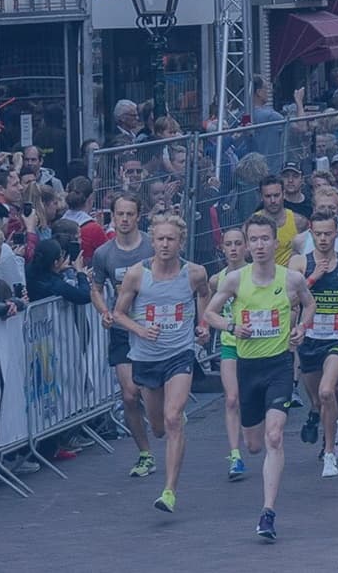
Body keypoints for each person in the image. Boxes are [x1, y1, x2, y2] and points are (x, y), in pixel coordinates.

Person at [203, 213, 317, 542]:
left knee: (275, 436)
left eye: (264, 238)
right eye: (253, 240)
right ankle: (251, 452)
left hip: (279, 366)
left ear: (275, 241)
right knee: (253, 445)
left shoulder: (292, 279)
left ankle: (267, 511)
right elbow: (210, 313)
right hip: (248, 366)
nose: (259, 245)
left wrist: (301, 328)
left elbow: (309, 306)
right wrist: (231, 327)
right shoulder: (236, 280)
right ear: (248, 246)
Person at [110, 214, 210, 513]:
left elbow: (205, 295)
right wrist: (140, 330)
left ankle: (169, 491)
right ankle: (170, 420)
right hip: (146, 357)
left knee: (173, 417)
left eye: (171, 239)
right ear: (152, 242)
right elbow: (118, 313)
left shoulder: (194, 273)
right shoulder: (136, 275)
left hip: (179, 354)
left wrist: (203, 325)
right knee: (157, 428)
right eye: (160, 239)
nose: (165, 244)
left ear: (181, 242)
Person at [90, 193, 156, 479]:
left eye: (130, 214)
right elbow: (95, 286)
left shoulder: (153, 247)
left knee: (150, 393)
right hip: (121, 330)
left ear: (138, 216)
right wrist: (105, 311)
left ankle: (164, 412)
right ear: (113, 216)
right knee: (129, 395)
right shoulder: (104, 253)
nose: (125, 219)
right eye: (120, 214)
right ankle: (145, 454)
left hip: (153, 329)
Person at [296, 211, 338, 478]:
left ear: (336, 234)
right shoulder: (300, 263)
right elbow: (292, 296)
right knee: (316, 399)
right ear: (311, 234)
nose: (323, 239)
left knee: (330, 391)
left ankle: (328, 452)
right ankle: (329, 424)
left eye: (328, 234)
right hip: (310, 338)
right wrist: (313, 278)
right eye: (318, 234)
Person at [211, 228, 248, 481]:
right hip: (230, 344)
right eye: (228, 244)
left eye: (238, 243)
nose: (233, 248)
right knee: (232, 399)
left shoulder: (256, 274)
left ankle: (261, 438)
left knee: (253, 400)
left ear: (246, 247)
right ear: (222, 248)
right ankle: (235, 454)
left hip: (258, 345)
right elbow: (209, 309)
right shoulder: (217, 280)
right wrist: (205, 328)